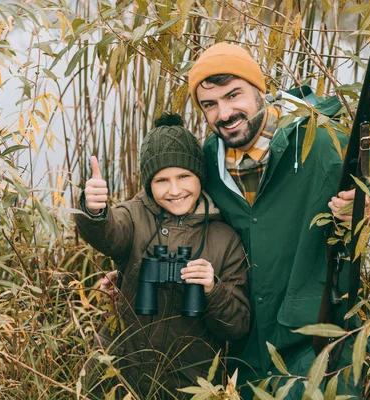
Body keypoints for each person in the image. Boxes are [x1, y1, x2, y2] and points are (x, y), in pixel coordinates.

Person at [187, 42, 370, 398]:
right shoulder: (206, 163)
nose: (224, 113)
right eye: (210, 104)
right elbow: (167, 215)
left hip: (319, 343)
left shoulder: (326, 141)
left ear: (259, 91)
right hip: (244, 351)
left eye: (233, 95)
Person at [74, 114, 250, 399]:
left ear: (200, 177)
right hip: (119, 373)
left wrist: (210, 289)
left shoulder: (224, 239)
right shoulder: (133, 215)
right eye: (161, 180)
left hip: (189, 384)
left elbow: (237, 326)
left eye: (184, 176)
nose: (175, 190)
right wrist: (94, 211)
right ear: (148, 184)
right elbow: (108, 234)